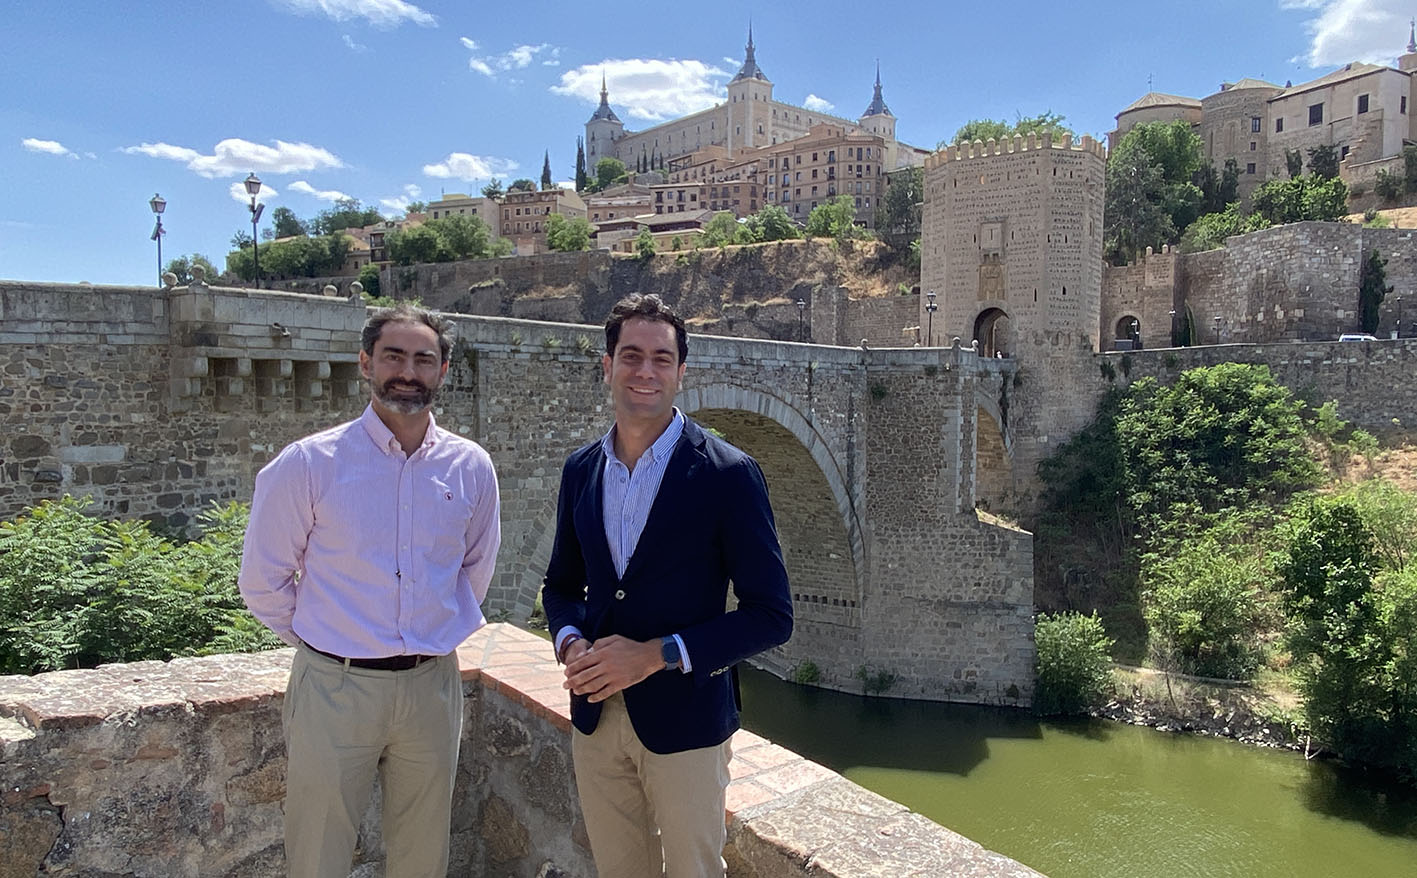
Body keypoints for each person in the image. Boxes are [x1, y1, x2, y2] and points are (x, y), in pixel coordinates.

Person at [239, 303, 501, 878]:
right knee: (318, 851)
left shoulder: (471, 467)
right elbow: (262, 581)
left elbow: (473, 571)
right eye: (393, 356)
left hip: (431, 686)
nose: (408, 371)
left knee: (423, 854)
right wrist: (329, 639)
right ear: (365, 363)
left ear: (443, 371)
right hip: (334, 687)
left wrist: (429, 631)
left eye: (423, 359)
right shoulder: (309, 464)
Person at [541, 293, 792, 878]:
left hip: (688, 723)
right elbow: (561, 586)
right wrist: (571, 644)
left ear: (681, 372)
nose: (645, 371)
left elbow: (771, 615)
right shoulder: (581, 470)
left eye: (661, 358)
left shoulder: (729, 474)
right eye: (631, 356)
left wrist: (657, 655)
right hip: (596, 718)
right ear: (607, 366)